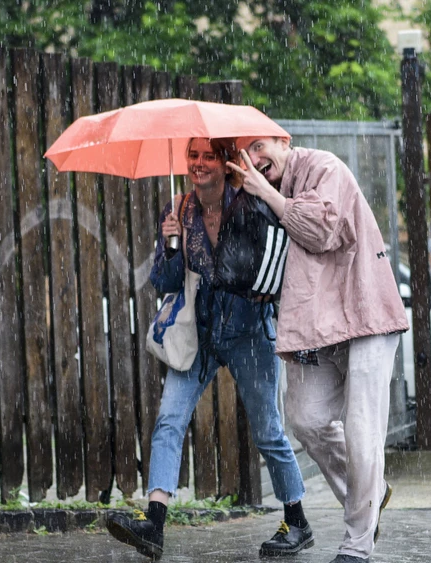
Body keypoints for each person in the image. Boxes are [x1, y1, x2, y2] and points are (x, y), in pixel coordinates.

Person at [105, 138, 313, 559]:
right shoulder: (179, 210)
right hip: (198, 335)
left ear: (224, 162)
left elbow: (275, 266)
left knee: (268, 431)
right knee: (169, 420)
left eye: (208, 156)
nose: (198, 165)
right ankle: (154, 524)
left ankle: (297, 521)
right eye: (193, 156)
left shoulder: (250, 203)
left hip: (249, 333)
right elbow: (163, 284)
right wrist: (171, 244)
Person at [226, 136, 409, 563]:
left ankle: (357, 545)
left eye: (259, 147)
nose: (254, 159)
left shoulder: (324, 167)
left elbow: (322, 230)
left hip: (365, 315)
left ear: (283, 141)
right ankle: (371, 492)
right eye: (245, 154)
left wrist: (267, 195)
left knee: (362, 432)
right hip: (318, 329)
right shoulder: (255, 194)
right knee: (305, 419)